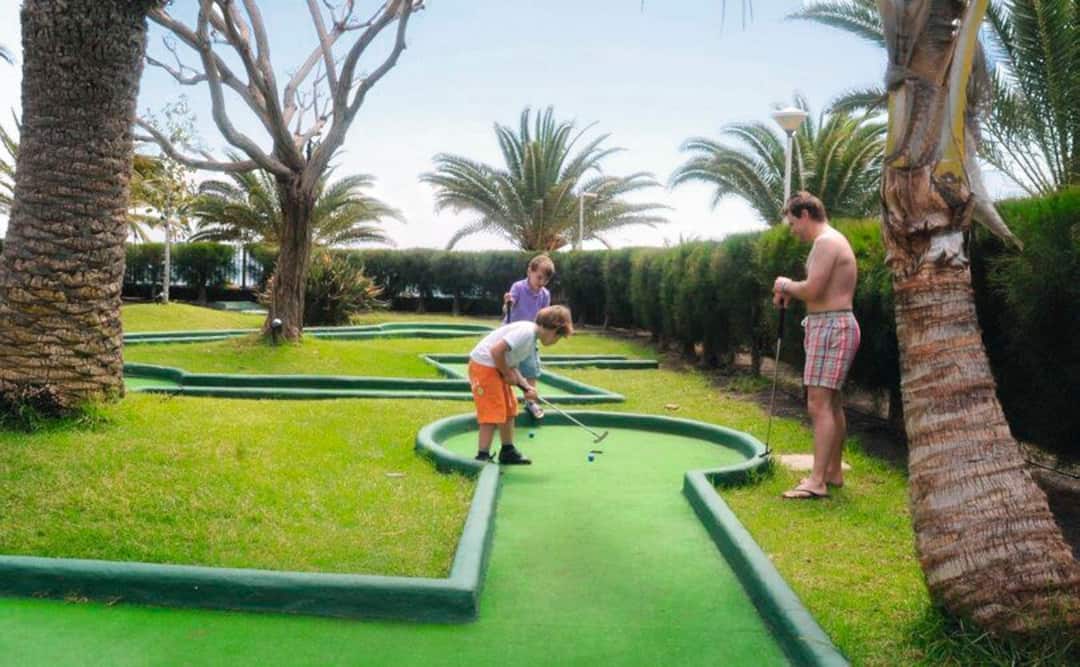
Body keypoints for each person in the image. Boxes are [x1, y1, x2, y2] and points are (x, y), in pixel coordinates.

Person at [772, 192, 860, 499]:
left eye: (792, 223)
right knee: (831, 404)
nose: (792, 230)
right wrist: (789, 289)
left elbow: (812, 290)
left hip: (832, 326)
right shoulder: (828, 242)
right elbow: (816, 290)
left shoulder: (826, 242)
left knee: (818, 404)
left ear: (806, 215)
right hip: (829, 325)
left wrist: (784, 284)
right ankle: (832, 472)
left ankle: (817, 481)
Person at [468, 305, 574, 464]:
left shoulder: (531, 340)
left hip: (495, 366)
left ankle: (507, 451)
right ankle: (482, 456)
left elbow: (511, 364)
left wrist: (526, 387)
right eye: (558, 337)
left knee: (509, 408)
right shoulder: (526, 333)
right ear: (553, 329)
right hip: (484, 366)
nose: (555, 342)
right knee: (492, 411)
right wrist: (506, 374)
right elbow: (496, 351)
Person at [502, 254, 555, 419]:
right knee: (507, 369)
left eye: (546, 280)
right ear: (529, 272)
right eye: (539, 277)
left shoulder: (545, 294)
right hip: (511, 335)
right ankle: (505, 400)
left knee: (531, 369)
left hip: (531, 337)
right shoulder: (518, 287)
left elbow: (543, 318)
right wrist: (508, 302)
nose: (542, 282)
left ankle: (530, 402)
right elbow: (507, 308)